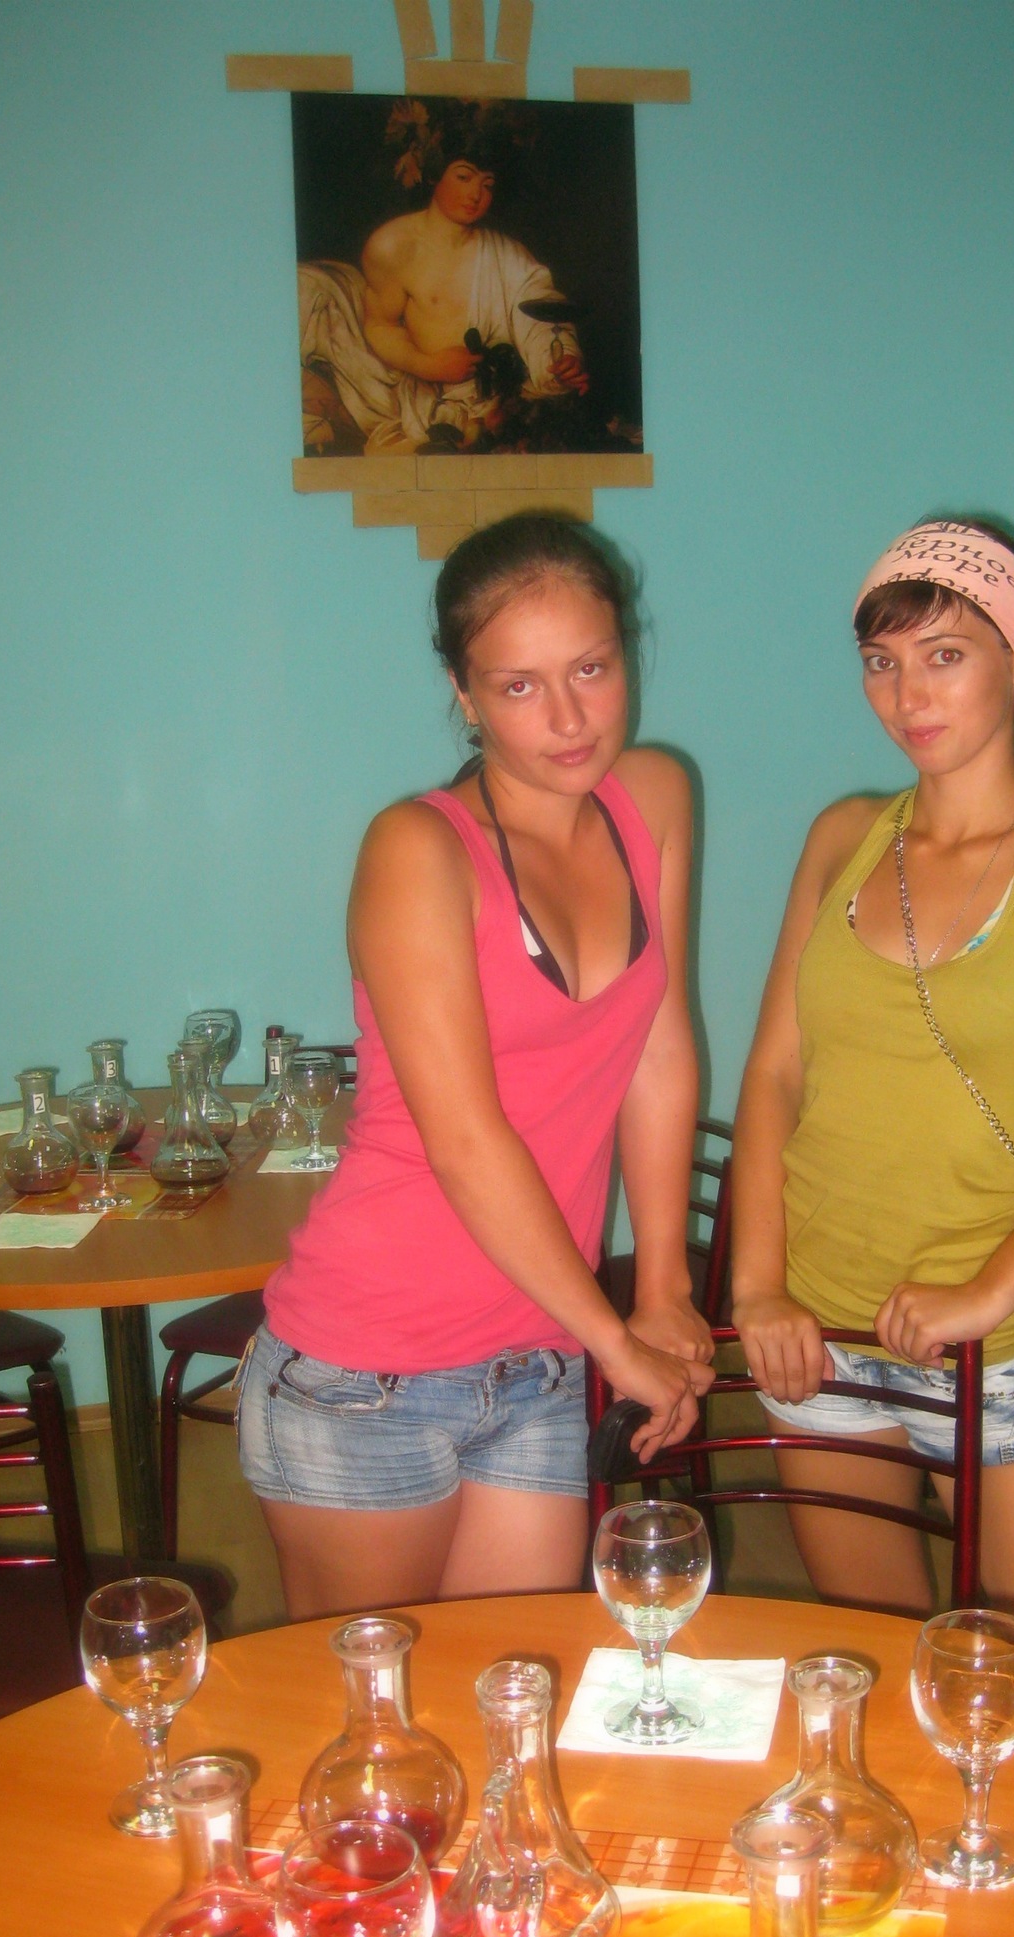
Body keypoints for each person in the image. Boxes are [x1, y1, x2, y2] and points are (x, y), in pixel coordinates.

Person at [240, 514, 714, 1619]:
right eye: (518, 686)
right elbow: (463, 1139)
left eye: (591, 669)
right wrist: (617, 1338)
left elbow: (659, 1046)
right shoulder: (418, 849)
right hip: (370, 1363)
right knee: (375, 1704)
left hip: (540, 1349)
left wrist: (662, 1287)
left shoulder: (654, 797)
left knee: (514, 1689)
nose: (568, 718)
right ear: (463, 693)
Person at [731, 517, 1014, 1679]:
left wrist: (986, 1293)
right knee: (881, 1677)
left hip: (987, 1339)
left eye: (945, 655)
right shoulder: (844, 834)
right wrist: (757, 1285)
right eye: (882, 661)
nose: (907, 694)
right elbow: (774, 1074)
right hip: (820, 1337)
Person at [298, 103, 587, 456]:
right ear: (436, 174)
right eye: (464, 177)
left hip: (489, 397)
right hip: (418, 389)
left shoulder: (507, 255)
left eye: (487, 184)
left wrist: (561, 359)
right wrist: (429, 366)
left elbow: (541, 309)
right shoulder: (393, 245)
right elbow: (381, 326)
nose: (475, 194)